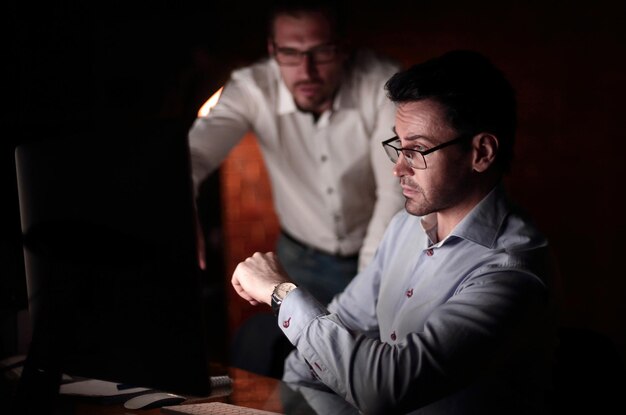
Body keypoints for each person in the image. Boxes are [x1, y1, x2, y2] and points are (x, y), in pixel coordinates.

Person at [231, 50, 557, 414]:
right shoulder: (405, 227)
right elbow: (311, 362)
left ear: (480, 152)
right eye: (398, 147)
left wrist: (281, 292)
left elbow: (383, 388)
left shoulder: (510, 272)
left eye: (417, 150)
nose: (398, 168)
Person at [188, 0, 404, 305]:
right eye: (289, 53)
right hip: (300, 260)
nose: (306, 71)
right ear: (273, 49)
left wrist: (368, 286)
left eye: (321, 51)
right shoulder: (252, 87)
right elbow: (194, 153)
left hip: (383, 248)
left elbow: (394, 190)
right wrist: (183, 201)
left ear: (344, 47)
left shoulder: (383, 83)